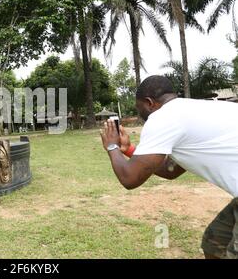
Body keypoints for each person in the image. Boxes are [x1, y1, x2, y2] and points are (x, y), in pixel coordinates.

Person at [100, 75, 238, 259]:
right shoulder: (194, 110)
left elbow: (129, 178)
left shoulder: (162, 118)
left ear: (149, 103)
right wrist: (128, 149)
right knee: (214, 244)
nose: (140, 114)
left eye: (138, 108)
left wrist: (112, 146)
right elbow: (170, 170)